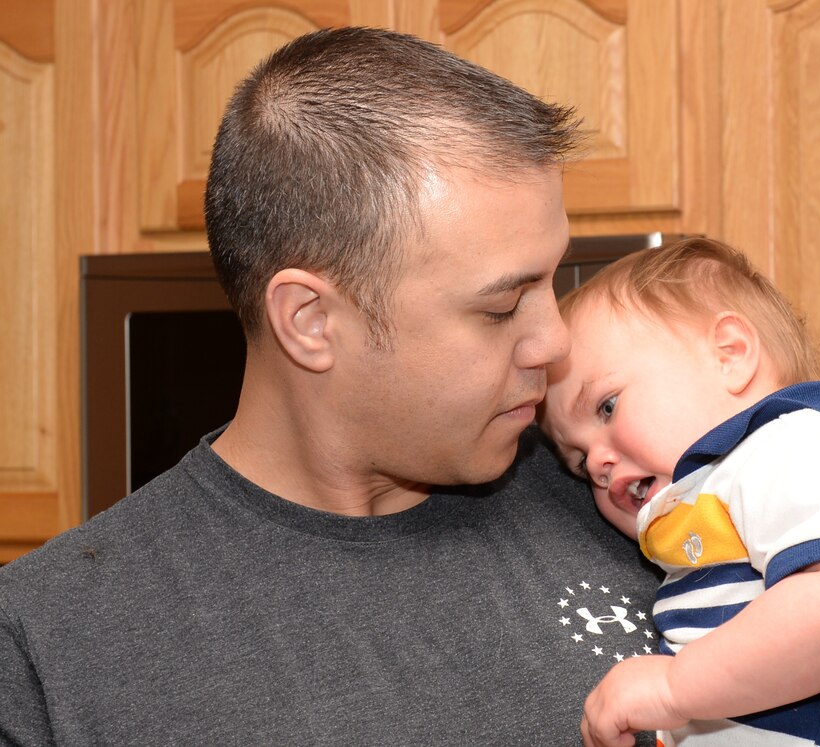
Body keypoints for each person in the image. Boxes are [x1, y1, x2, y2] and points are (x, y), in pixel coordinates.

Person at [0, 27, 662, 745]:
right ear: (310, 320)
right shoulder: (48, 641)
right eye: (501, 306)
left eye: (553, 279)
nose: (555, 340)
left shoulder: (622, 487)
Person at [539, 237, 820, 747]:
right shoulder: (715, 497)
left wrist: (674, 686)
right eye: (576, 460)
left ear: (730, 355)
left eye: (608, 407)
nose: (595, 461)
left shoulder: (791, 444)